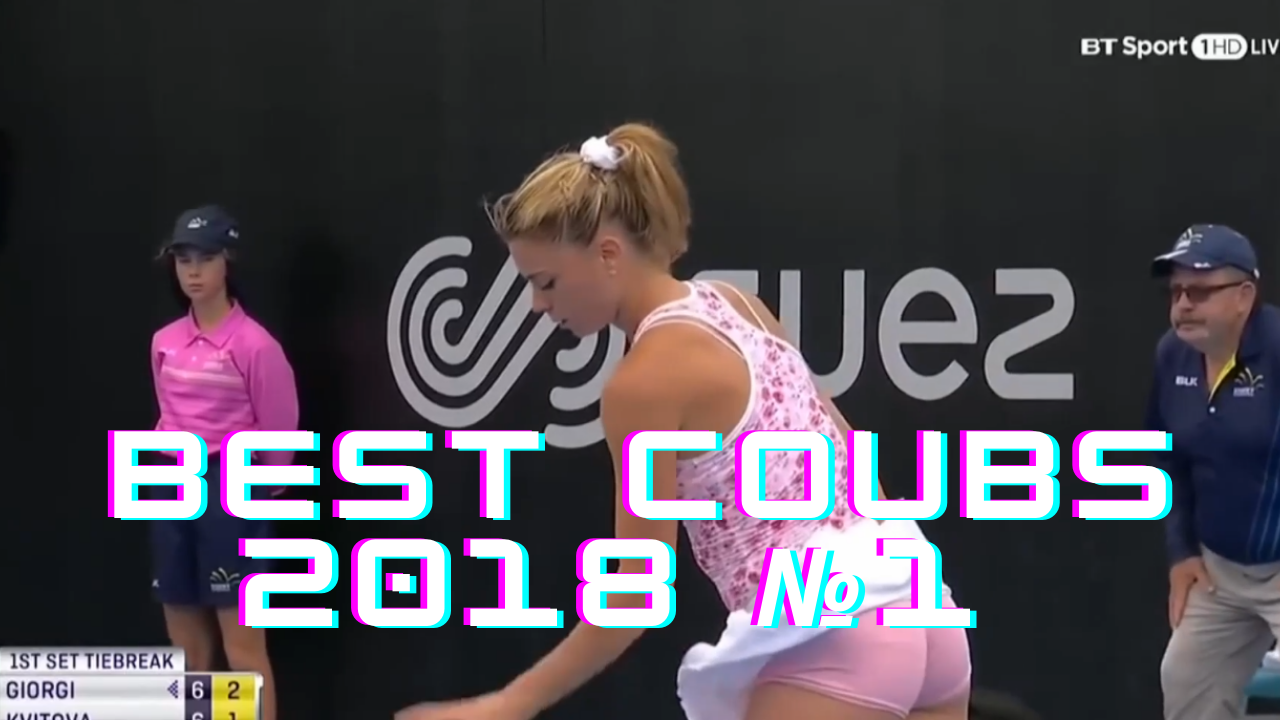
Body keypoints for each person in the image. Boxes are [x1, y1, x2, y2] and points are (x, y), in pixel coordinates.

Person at [396, 124, 971, 720]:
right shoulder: (739, 305)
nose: (538, 304)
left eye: (546, 283)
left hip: (834, 637)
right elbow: (853, 463)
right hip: (922, 608)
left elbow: (637, 592)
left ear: (608, 255)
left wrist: (506, 705)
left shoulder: (641, 383)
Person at [147, 205, 297, 720]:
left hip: (232, 490)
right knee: (188, 651)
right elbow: (168, 414)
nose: (193, 271)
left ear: (227, 261)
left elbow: (280, 434)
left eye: (205, 258)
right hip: (172, 483)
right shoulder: (164, 343)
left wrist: (253, 495)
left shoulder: (255, 346)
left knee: (243, 650)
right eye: (183, 259)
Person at [1147, 224, 1280, 720]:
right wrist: (1182, 551)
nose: (1184, 305)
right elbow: (1167, 457)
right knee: (1184, 679)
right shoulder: (1172, 354)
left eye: (1200, 291)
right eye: (1177, 292)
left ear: (1244, 296)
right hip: (1220, 572)